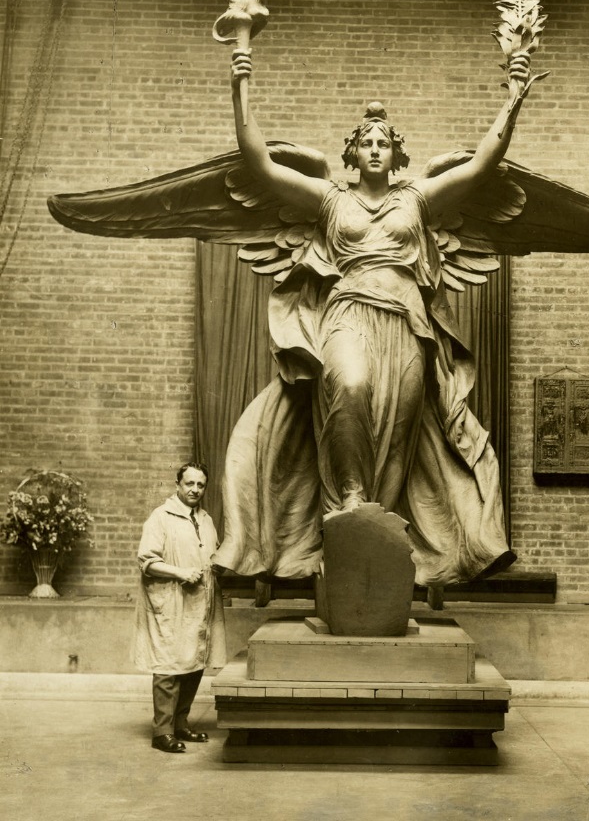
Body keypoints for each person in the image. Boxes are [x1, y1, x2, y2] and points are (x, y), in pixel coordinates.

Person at [213, 49, 536, 588]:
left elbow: (481, 166)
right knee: (351, 386)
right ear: (352, 153)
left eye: (385, 142)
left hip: (406, 323)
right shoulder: (328, 200)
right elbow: (259, 165)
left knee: (402, 424)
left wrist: (513, 100)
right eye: (367, 142)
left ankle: (375, 536)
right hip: (348, 314)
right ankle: (349, 500)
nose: (376, 149)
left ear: (397, 153)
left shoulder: (420, 198)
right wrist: (240, 78)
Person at [133, 462, 226, 753]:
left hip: (201, 603)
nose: (195, 490)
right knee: (169, 666)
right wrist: (181, 572)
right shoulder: (160, 518)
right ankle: (162, 732)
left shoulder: (207, 519)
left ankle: (180, 724)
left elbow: (213, 552)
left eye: (200, 485)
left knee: (194, 662)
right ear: (177, 484)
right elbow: (147, 561)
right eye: (190, 484)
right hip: (172, 602)